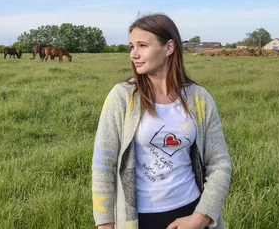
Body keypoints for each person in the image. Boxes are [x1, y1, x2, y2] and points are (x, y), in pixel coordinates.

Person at [92, 13, 231, 229]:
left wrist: (201, 216)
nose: (134, 54)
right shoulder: (122, 97)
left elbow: (220, 162)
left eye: (142, 45)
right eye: (131, 47)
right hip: (139, 218)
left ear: (169, 47)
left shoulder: (199, 99)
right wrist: (105, 225)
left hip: (191, 212)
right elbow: (102, 165)